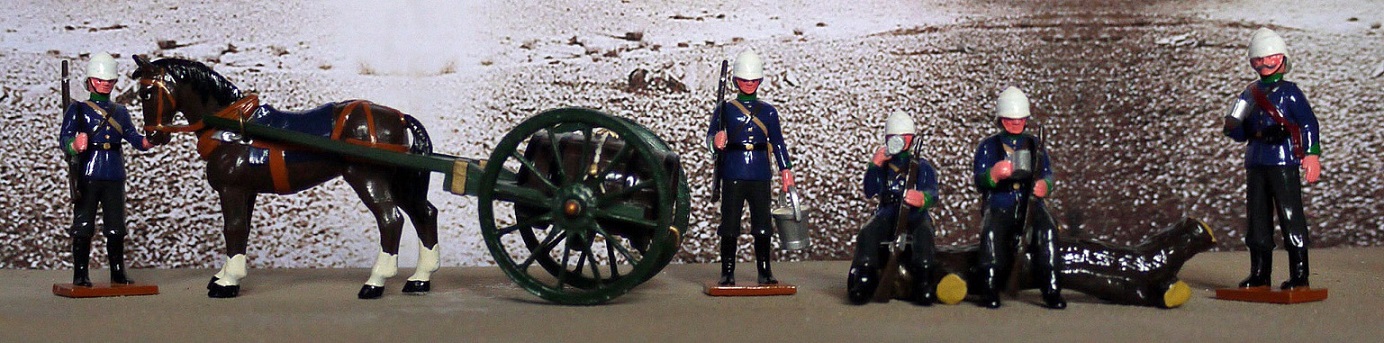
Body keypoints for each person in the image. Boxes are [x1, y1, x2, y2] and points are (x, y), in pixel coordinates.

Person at [1222, 28, 1321, 291]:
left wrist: (1311, 154)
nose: (1265, 64)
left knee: (1291, 216)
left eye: (1271, 58)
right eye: (1259, 60)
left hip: (1284, 160)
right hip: (1256, 161)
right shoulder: (1248, 93)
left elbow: (1308, 123)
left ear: (1282, 59)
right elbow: (1239, 129)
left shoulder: (1290, 92)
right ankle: (1259, 274)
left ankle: (1300, 275)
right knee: (1257, 220)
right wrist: (1233, 126)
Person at [57, 52, 153, 287]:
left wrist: (147, 142)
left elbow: (132, 136)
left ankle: (117, 273)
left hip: (114, 172)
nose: (104, 85)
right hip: (88, 173)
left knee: (116, 227)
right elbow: (64, 138)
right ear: (90, 81)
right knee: (83, 226)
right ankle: (80, 274)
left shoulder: (120, 111)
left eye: (109, 81)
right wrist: (73, 145)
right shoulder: (78, 110)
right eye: (100, 81)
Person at [971, 87, 1065, 309]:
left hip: (1029, 203)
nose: (1015, 123)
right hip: (1000, 202)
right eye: (1010, 119)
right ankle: (990, 287)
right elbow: (979, 180)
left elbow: (1046, 174)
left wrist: (1045, 186)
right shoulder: (988, 146)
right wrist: (992, 175)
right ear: (1001, 119)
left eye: (1020, 119)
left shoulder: (1035, 145)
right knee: (992, 234)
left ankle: (1051, 289)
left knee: (1047, 230)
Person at [707, 50, 795, 286]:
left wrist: (786, 170)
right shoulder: (725, 109)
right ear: (736, 81)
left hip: (759, 173)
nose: (748, 84)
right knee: (729, 225)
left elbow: (777, 142)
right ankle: (727, 271)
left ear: (759, 81)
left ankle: (764, 270)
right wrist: (715, 142)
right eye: (744, 80)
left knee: (763, 225)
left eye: (753, 80)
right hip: (733, 172)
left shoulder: (768, 112)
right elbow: (710, 137)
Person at [846, 111, 940, 305]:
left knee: (924, 233)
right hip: (887, 213)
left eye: (905, 137)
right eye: (895, 137)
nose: (900, 141)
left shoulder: (922, 167)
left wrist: (922, 198)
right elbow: (870, 190)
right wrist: (874, 166)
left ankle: (923, 280)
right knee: (868, 233)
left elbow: (933, 193)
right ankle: (865, 278)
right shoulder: (883, 166)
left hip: (915, 216)